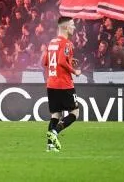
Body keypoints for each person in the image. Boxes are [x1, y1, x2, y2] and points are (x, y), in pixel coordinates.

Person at [42, 16, 82, 152]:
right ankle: (55, 132)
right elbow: (61, 61)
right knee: (75, 112)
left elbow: (45, 62)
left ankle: (50, 146)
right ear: (65, 27)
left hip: (51, 83)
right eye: (72, 24)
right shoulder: (67, 43)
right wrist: (75, 71)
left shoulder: (52, 42)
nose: (74, 27)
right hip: (64, 84)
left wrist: (69, 60)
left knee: (56, 115)